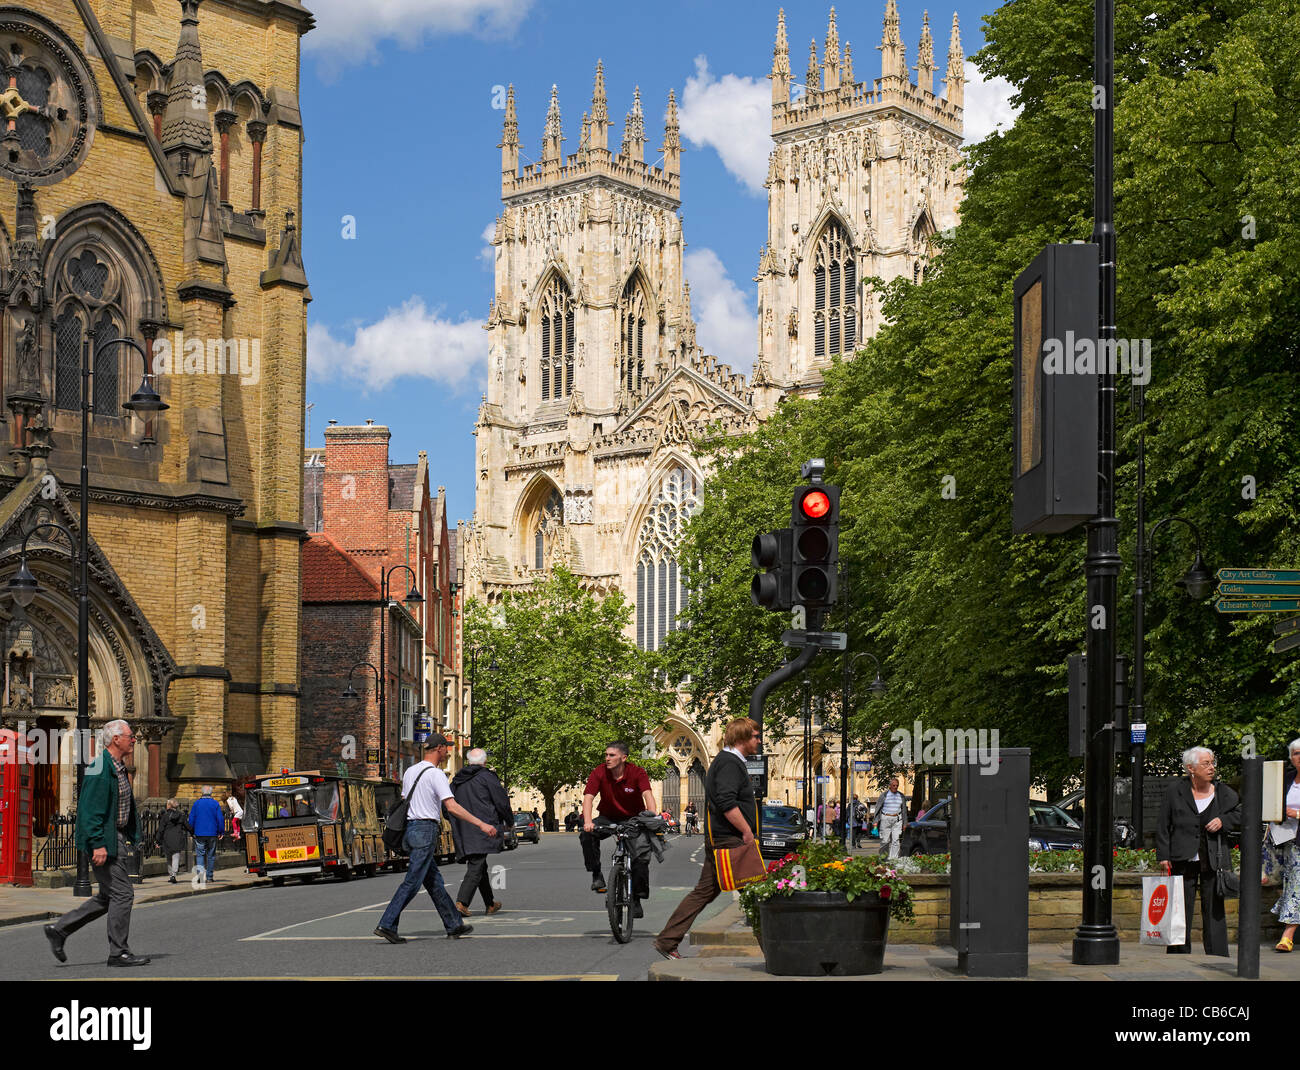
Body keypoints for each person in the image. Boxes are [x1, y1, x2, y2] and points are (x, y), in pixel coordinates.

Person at [43, 719, 149, 967]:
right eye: (130, 736)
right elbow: (90, 811)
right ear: (116, 740)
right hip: (106, 841)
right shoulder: (100, 767)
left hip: (116, 838)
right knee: (123, 894)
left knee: (107, 896)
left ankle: (59, 931)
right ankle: (118, 952)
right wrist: (98, 844)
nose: (134, 739)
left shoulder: (117, 766)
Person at [374, 735, 498, 943]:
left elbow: (406, 800)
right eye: (446, 748)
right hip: (425, 829)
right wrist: (481, 824)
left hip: (411, 830)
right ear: (439, 748)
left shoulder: (410, 771)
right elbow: (451, 806)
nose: (448, 752)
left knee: (434, 882)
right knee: (412, 881)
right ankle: (387, 924)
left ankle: (453, 925)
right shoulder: (436, 775)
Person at [654, 718, 761, 960]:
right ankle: (779, 947)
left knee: (705, 892)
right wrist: (746, 831)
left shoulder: (727, 761)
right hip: (731, 840)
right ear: (742, 738)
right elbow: (725, 802)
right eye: (755, 736)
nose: (759, 740)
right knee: (757, 891)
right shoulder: (730, 764)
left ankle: (667, 940)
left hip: (724, 839)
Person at [1155, 746, 1240, 956]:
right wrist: (1163, 855)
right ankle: (1178, 952)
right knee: (1180, 907)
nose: (1211, 767)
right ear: (1191, 768)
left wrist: (1223, 820)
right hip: (1182, 857)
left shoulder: (1223, 792)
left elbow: (1243, 813)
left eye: (1212, 763)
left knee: (1214, 908)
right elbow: (1163, 824)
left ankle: (1217, 953)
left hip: (1214, 857)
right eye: (1206, 763)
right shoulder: (1175, 791)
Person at [580, 741, 657, 916]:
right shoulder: (599, 772)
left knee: (641, 856)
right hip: (608, 817)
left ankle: (636, 898)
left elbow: (647, 795)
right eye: (606, 755)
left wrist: (653, 817)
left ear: (624, 758)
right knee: (586, 836)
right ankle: (597, 875)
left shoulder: (637, 772)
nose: (607, 758)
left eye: (612, 755)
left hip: (633, 819)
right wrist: (587, 821)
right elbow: (588, 797)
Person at [450, 748, 512, 917]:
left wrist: (455, 822)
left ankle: (490, 903)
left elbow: (446, 804)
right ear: (484, 762)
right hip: (484, 826)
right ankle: (462, 902)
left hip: (464, 828)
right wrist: (509, 821)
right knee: (476, 865)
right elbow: (501, 801)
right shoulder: (487, 777)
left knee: (480, 865)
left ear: (468, 762)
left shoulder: (456, 780)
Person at [1263, 738, 1300, 951]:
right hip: (1285, 840)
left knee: (1296, 885)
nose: (1299, 757)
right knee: (1290, 883)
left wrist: (1297, 813)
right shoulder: (1286, 779)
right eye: (1295, 753)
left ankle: (1287, 934)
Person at [187, 785, 224, 882]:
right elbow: (220, 819)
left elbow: (191, 819)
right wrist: (221, 831)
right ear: (211, 793)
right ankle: (209, 877)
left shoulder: (197, 804)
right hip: (212, 833)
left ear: (202, 793)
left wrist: (192, 831)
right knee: (211, 856)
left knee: (200, 855)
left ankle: (200, 877)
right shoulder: (215, 804)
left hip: (199, 833)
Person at [154, 798, 188, 883]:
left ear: (169, 805)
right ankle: (174, 874)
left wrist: (157, 840)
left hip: (167, 839)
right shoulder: (181, 815)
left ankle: (171, 874)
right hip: (178, 838)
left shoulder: (165, 816)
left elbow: (161, 829)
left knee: (169, 858)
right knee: (176, 857)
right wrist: (194, 833)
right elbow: (187, 826)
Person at [873, 777, 908, 859]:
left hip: (897, 819)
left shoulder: (901, 796)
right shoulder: (884, 795)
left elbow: (904, 811)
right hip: (885, 818)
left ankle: (893, 859)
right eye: (893, 785)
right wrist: (875, 822)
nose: (895, 787)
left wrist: (905, 823)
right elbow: (878, 808)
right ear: (890, 786)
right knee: (885, 841)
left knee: (896, 841)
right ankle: (883, 858)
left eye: (897, 785)